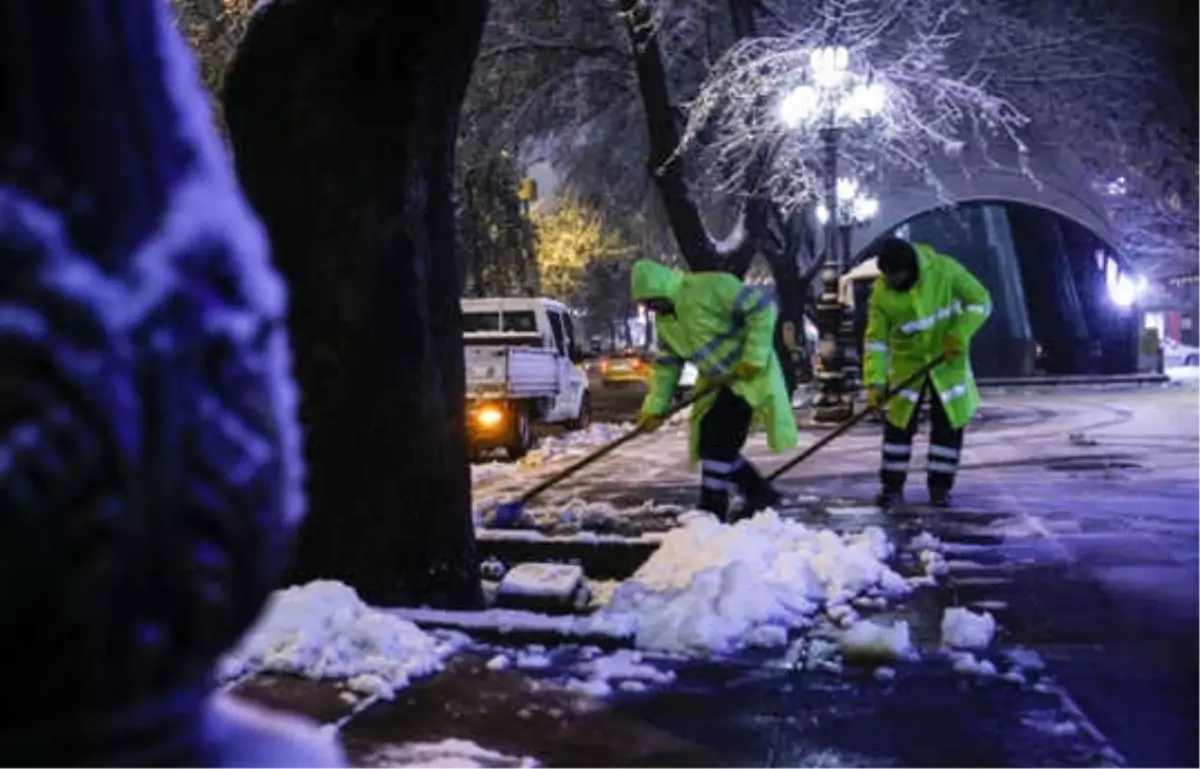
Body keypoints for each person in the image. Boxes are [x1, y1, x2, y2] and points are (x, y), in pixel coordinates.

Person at [631, 259, 799, 522]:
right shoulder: (667, 324)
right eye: (646, 304)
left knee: (718, 441)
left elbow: (763, 308)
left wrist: (752, 358)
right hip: (718, 381)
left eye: (652, 301)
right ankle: (758, 491)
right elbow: (667, 367)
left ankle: (713, 507)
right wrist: (654, 408)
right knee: (711, 439)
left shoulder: (709, 287)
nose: (652, 309)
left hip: (751, 376)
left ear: (661, 288)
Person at [863, 237, 993, 509]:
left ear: (911, 269)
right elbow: (876, 342)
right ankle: (891, 488)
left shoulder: (945, 270)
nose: (893, 281)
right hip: (907, 366)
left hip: (947, 361)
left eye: (897, 275)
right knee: (898, 427)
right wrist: (875, 382)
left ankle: (940, 488)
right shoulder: (881, 293)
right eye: (888, 276)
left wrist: (960, 333)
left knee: (947, 427)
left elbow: (980, 301)